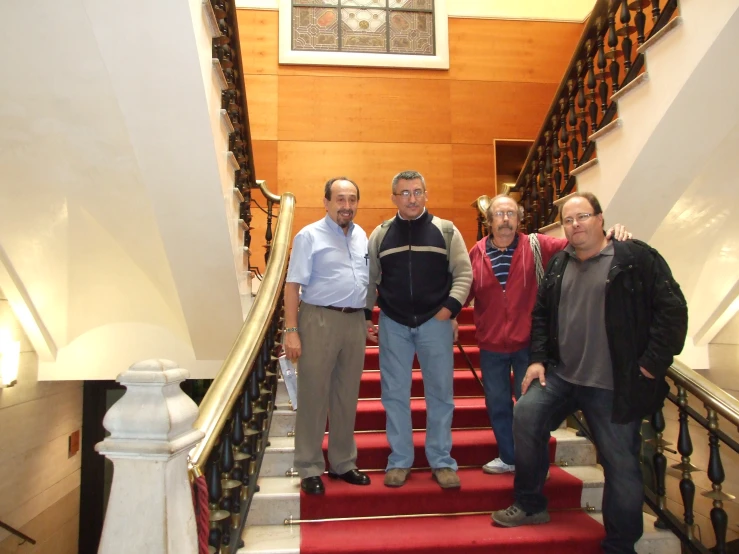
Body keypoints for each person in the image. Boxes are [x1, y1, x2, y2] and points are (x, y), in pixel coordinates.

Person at [492, 192, 688, 554]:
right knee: (527, 414)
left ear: (600, 218)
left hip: (613, 384)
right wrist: (537, 359)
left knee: (621, 463)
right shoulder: (559, 262)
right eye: (568, 220)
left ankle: (620, 543)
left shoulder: (634, 258)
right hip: (563, 376)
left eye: (582, 217)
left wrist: (650, 363)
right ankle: (531, 503)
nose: (575, 225)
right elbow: (541, 314)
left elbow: (673, 311)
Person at [467, 195, 630, 475]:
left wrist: (611, 235)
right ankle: (509, 456)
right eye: (499, 214)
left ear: (519, 219)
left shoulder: (538, 245)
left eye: (510, 214)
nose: (505, 219)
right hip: (491, 345)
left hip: (530, 348)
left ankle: (533, 464)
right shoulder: (476, 252)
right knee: (497, 404)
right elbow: (464, 288)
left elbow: (580, 242)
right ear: (489, 220)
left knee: (532, 411)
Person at [365, 170, 473, 489]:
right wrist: (365, 317)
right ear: (394, 198)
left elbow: (463, 274)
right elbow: (370, 279)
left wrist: (448, 310)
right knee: (394, 394)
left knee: (440, 393)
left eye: (417, 192)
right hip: (393, 323)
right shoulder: (381, 234)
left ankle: (441, 460)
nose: (411, 199)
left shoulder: (447, 231)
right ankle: (400, 460)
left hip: (434, 323)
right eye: (404, 193)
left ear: (426, 194)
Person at [283, 177, 372, 495]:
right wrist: (291, 330)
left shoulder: (362, 235)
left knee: (347, 395)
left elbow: (366, 280)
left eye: (352, 199)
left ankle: (343, 463)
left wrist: (367, 316)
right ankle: (308, 466)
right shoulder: (309, 235)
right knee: (313, 395)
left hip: (354, 323)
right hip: (318, 320)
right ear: (326, 202)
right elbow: (292, 285)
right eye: (340, 199)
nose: (346, 206)